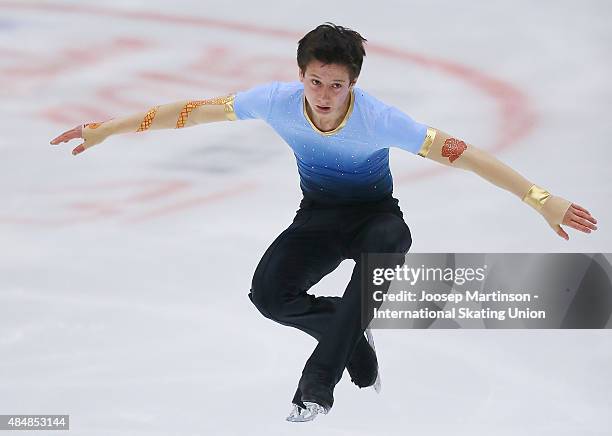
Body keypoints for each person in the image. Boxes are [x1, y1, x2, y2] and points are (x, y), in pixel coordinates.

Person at [49, 22, 598, 422]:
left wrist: (538, 197)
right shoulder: (275, 102)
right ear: (301, 76)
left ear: (353, 83)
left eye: (336, 85)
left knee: (384, 244)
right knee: (269, 296)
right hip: (318, 217)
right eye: (315, 82)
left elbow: (469, 154)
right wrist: (107, 128)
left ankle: (318, 384)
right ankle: (354, 341)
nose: (325, 95)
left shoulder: (382, 118)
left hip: (377, 221)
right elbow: (192, 111)